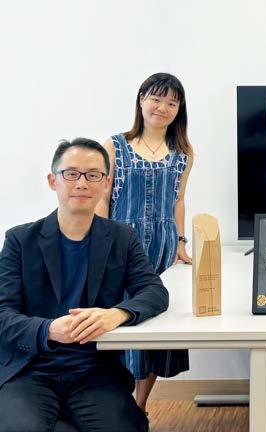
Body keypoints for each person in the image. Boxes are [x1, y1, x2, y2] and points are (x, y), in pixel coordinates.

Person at [0, 138, 169, 431]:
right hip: (30, 370)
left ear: (106, 184)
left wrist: (116, 314)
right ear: (53, 181)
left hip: (94, 371)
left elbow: (154, 291)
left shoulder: (122, 237)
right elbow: (3, 313)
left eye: (93, 175)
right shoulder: (20, 240)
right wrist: (49, 329)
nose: (82, 183)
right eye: (71, 174)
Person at [96, 72, 193, 413]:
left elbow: (179, 200)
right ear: (141, 100)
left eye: (172, 102)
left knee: (156, 324)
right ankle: (118, 405)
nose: (162, 107)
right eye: (156, 99)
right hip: (120, 246)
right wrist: (101, 241)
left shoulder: (183, 152)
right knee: (121, 321)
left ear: (179, 109)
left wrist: (180, 241)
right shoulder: (115, 145)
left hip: (163, 248)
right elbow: (103, 196)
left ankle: (140, 405)